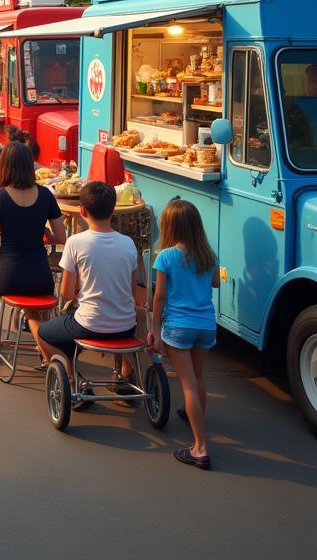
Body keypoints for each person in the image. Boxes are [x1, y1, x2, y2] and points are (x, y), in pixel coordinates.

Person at [38, 181, 141, 385]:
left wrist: (79, 290)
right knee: (113, 317)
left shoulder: (75, 242)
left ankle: (71, 378)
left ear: (82, 210)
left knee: (44, 333)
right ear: (113, 210)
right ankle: (124, 371)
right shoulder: (128, 244)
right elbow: (132, 291)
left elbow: (66, 293)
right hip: (126, 325)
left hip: (90, 324)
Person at [0, 141, 66, 356]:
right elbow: (60, 237)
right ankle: (47, 352)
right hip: (41, 276)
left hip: (10, 276)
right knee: (33, 314)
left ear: (4, 166)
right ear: (30, 165)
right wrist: (47, 235)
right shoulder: (45, 195)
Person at [147, 199, 219, 470]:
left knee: (187, 384)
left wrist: (155, 329)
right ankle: (194, 415)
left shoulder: (165, 257)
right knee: (198, 378)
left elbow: (159, 298)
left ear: (169, 226)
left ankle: (200, 448)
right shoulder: (209, 255)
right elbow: (214, 283)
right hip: (206, 325)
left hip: (179, 327)